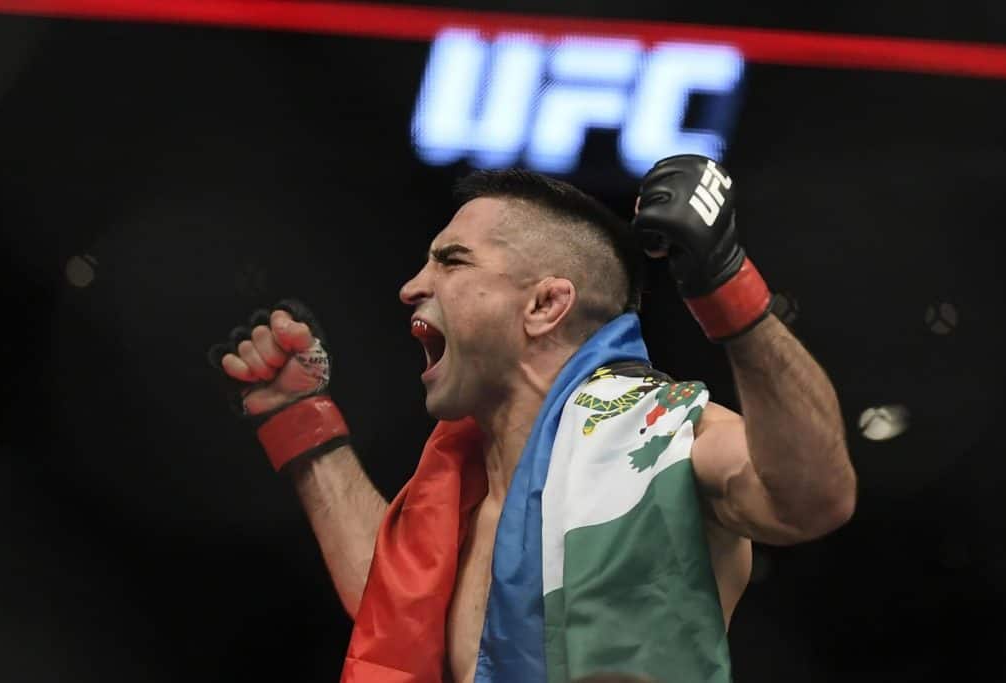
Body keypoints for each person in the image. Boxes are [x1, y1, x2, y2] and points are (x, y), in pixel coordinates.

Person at [208, 156, 856, 683]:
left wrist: (727, 285)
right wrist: (301, 422)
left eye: (451, 260)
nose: (411, 285)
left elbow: (810, 499)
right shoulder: (458, 490)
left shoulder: (663, 434)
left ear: (545, 303)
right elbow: (392, 604)